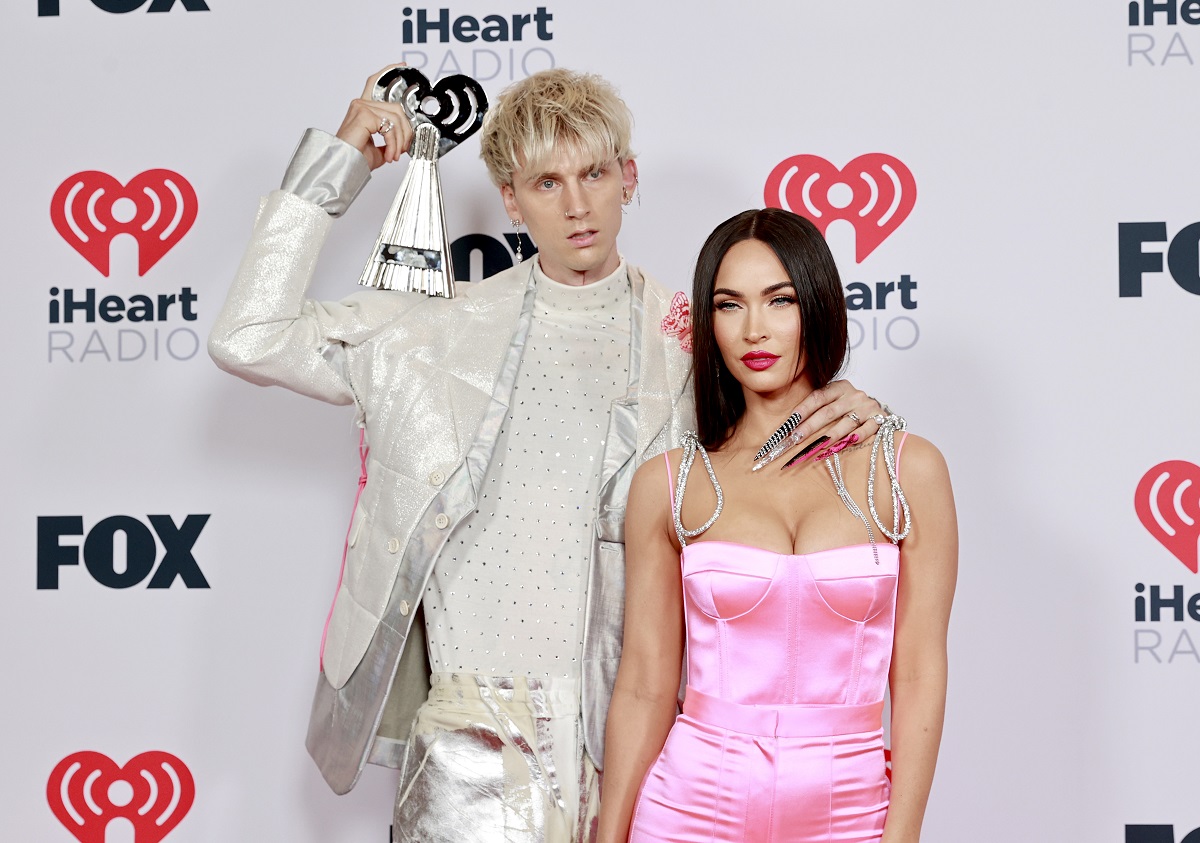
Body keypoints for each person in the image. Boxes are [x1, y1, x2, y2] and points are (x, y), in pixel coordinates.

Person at [209, 66, 885, 843]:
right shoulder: (430, 332)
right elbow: (248, 336)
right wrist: (341, 163)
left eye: (594, 174)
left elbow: (784, 460)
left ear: (629, 177)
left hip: (647, 742)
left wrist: (864, 411)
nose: (576, 206)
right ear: (509, 197)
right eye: (545, 181)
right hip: (472, 740)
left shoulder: (696, 343)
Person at [597, 209, 957, 843]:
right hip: (688, 811)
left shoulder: (909, 471)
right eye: (729, 305)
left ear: (816, 306)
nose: (754, 330)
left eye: (779, 300)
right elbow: (645, 684)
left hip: (853, 813)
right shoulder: (670, 483)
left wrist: (902, 835)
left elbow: (920, 672)